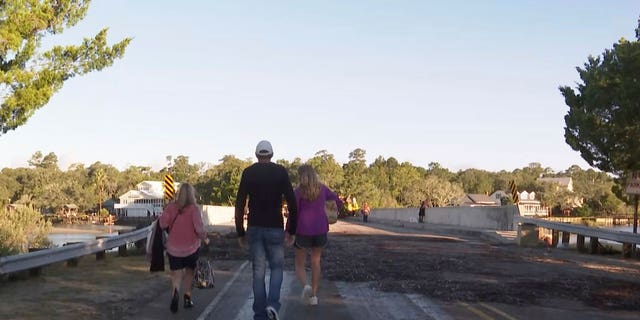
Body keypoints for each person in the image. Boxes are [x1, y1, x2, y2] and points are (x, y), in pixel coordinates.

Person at [235, 140, 298, 320]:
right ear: (271, 155)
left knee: (258, 271)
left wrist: (240, 231)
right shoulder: (280, 172)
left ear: (257, 155)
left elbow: (240, 204)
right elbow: (292, 203)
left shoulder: (248, 173)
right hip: (275, 227)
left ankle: (260, 314)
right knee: (277, 268)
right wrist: (292, 230)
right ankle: (272, 304)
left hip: (254, 228)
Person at [288, 164, 342, 306]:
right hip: (320, 230)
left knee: (299, 264)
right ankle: (314, 297)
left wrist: (289, 231)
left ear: (301, 176)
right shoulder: (323, 189)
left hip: (303, 231)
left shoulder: (298, 192)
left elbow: (293, 214)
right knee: (315, 262)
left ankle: (306, 286)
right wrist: (335, 211)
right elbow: (338, 201)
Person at [159, 183, 209, 313]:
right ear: (192, 195)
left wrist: (164, 214)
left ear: (179, 194)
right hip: (191, 248)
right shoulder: (194, 209)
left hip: (173, 249)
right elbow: (199, 229)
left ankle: (175, 292)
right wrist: (205, 239)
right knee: (189, 273)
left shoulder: (170, 207)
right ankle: (187, 298)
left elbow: (162, 224)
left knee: (176, 274)